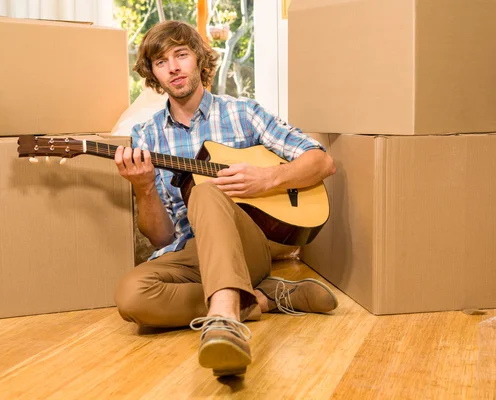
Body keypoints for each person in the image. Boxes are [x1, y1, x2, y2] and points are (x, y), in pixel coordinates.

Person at [113, 20, 337, 377]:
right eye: (160, 62)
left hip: (250, 245)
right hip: (194, 251)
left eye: (181, 55)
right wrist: (143, 188)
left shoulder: (242, 113)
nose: (172, 67)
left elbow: (321, 161)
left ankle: (225, 321)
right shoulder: (146, 135)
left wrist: (266, 178)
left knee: (205, 191)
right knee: (131, 296)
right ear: (153, 75)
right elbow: (162, 239)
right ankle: (266, 297)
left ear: (200, 59)